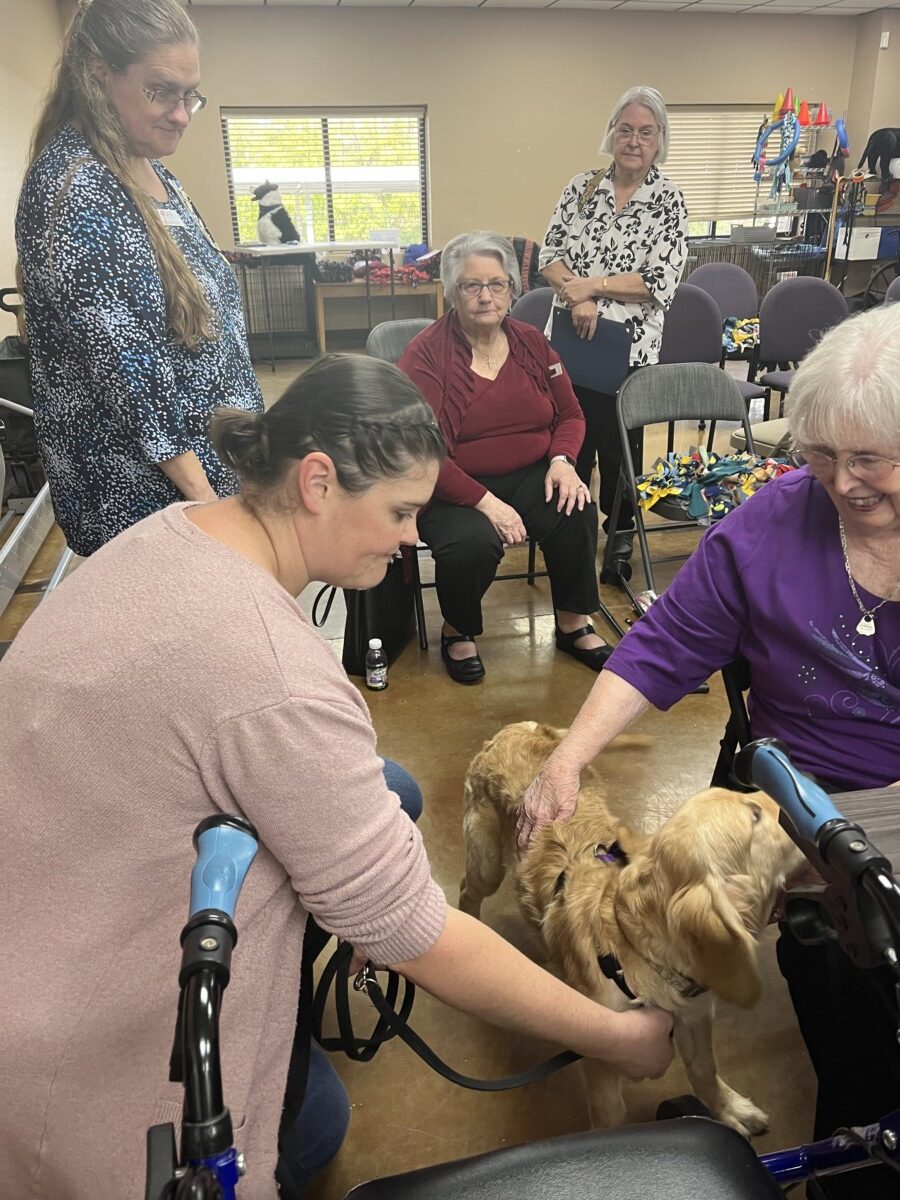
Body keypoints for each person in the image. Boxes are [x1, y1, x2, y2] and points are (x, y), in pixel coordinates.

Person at [0, 354, 673, 1200]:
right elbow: (416, 936)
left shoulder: (172, 531)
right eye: (398, 512)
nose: (408, 538)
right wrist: (620, 1037)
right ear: (317, 482)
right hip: (69, 1041)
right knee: (315, 1129)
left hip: (45, 885)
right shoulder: (273, 673)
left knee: (390, 790)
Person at [517, 305, 900, 1199]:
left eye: (871, 459)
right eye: (820, 455)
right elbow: (661, 646)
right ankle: (854, 1164)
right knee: (861, 1010)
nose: (842, 482)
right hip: (799, 796)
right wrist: (570, 756)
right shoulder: (771, 525)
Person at [15, 0, 263, 558]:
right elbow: (128, 373)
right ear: (98, 75)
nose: (181, 113)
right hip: (154, 496)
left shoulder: (153, 171)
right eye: (161, 90)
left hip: (211, 474)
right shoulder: (78, 187)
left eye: (190, 95)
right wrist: (205, 503)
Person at [398, 230, 610, 684]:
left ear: (513, 290)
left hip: (532, 470)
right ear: (452, 292)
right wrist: (486, 503)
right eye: (471, 286)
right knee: (472, 542)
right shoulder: (427, 355)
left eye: (497, 285)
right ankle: (458, 631)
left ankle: (572, 623)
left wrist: (562, 462)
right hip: (450, 483)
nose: (485, 296)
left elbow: (571, 414)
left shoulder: (532, 342)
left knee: (574, 507)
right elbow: (421, 451)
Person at [539, 85, 688, 577]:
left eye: (646, 132)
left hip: (629, 350)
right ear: (611, 133)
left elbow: (658, 280)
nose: (634, 140)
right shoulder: (581, 187)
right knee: (571, 439)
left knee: (620, 448)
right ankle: (572, 532)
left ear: (659, 139)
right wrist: (578, 296)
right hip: (570, 342)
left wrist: (593, 288)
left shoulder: (668, 200)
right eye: (625, 130)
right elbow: (549, 256)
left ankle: (619, 537)